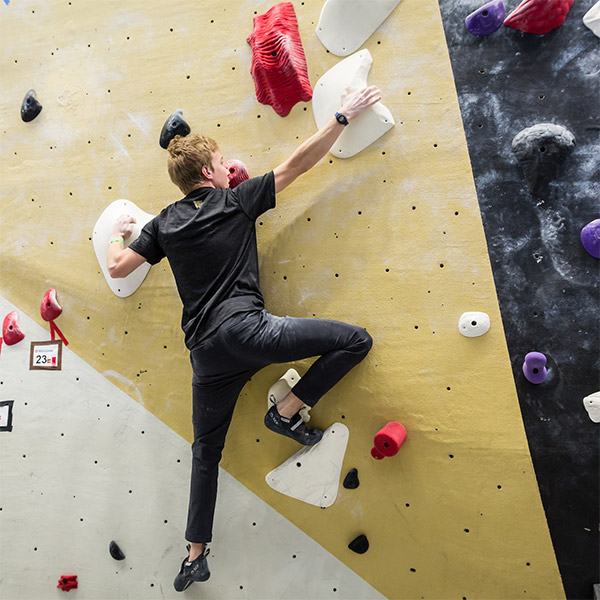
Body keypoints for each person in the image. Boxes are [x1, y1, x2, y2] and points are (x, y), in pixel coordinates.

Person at [106, 85, 381, 592]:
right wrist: (342, 116)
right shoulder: (235, 201)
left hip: (206, 357)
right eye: (218, 159)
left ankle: (194, 556)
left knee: (206, 451)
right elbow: (298, 164)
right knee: (356, 341)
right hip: (250, 332)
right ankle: (287, 411)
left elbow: (118, 264)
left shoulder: (164, 224)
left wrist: (128, 229)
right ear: (209, 172)